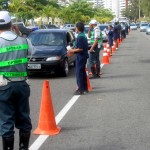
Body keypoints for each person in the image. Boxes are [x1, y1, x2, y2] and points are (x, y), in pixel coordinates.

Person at [0, 11, 33, 150]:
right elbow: (31, 53)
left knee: (6, 122)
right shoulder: (24, 40)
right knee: (24, 120)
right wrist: (19, 35)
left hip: (4, 86)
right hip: (22, 85)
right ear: (12, 25)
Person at [68, 22, 89, 95]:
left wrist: (71, 50)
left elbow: (80, 49)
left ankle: (80, 89)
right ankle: (84, 88)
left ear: (78, 28)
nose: (75, 29)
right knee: (82, 72)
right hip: (83, 56)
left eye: (76, 27)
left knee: (79, 73)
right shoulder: (83, 35)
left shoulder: (80, 37)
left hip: (81, 56)